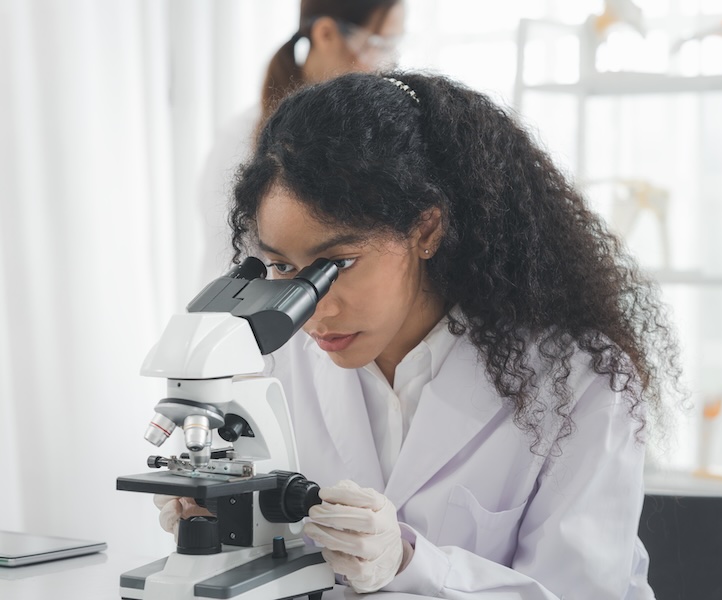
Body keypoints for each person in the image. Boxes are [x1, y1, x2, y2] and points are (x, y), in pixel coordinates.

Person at [164, 71, 684, 598]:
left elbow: (583, 591)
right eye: (281, 268)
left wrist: (411, 562)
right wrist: (225, 525)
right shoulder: (276, 361)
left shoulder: (579, 383)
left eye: (336, 264)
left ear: (426, 230)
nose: (312, 309)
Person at [197, 0, 405, 286]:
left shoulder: (375, 132)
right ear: (326, 34)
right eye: (379, 44)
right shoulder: (242, 137)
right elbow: (228, 262)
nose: (390, 63)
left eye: (394, 44)